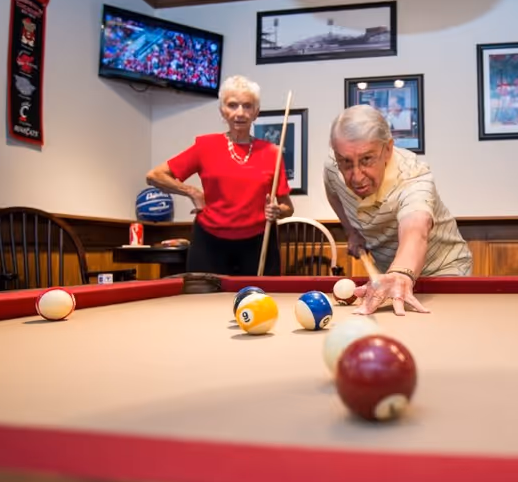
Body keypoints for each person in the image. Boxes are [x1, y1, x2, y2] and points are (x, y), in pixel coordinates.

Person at [324, 104, 473, 316]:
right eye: (346, 162)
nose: (356, 176)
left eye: (367, 159)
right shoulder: (332, 166)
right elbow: (333, 191)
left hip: (444, 272)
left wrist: (400, 273)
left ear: (388, 149)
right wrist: (351, 232)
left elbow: (416, 228)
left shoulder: (413, 176)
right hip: (391, 277)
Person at [145, 75, 294, 276]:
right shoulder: (205, 146)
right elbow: (155, 175)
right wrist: (192, 192)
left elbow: (288, 207)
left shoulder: (272, 153)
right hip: (209, 243)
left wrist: (277, 210)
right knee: (203, 304)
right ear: (222, 111)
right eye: (233, 105)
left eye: (247, 106)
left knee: (258, 301)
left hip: (258, 243)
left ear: (256, 112)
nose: (240, 113)